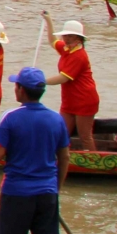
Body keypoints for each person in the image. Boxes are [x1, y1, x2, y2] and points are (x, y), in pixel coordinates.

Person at [0, 67, 71, 234]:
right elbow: (65, 157)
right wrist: (57, 188)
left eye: (16, 86)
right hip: (47, 191)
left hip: (17, 191)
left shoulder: (10, 117)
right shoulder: (56, 119)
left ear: (21, 91)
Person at [42, 15, 99, 151]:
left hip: (84, 100)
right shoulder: (67, 48)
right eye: (65, 35)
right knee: (62, 134)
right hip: (69, 100)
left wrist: (41, 82)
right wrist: (49, 20)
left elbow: (63, 78)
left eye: (69, 36)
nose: (65, 39)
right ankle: (61, 159)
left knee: (85, 136)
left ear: (78, 38)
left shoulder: (79, 55)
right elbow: (52, 41)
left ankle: (95, 163)